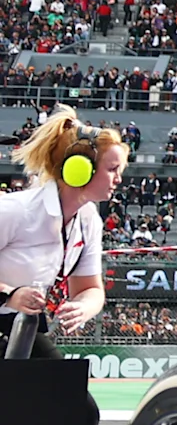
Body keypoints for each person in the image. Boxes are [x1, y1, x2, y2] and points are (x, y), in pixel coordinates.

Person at [1, 110, 123, 349]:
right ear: (80, 169)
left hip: (20, 327)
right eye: (112, 169)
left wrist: (83, 307)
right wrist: (9, 294)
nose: (119, 178)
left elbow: (91, 289)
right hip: (11, 324)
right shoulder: (14, 211)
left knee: (68, 386)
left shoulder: (89, 220)